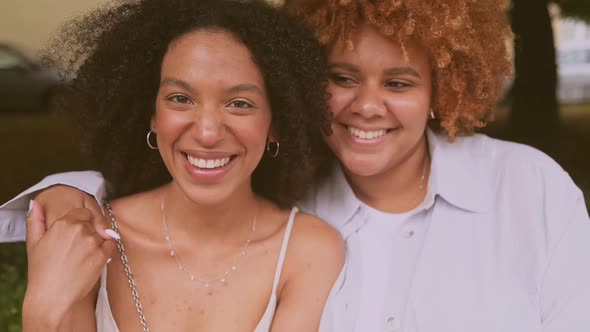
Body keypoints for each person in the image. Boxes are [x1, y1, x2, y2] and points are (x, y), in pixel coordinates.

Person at [3, 0, 590, 331]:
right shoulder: (284, 190)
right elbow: (183, 176)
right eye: (341, 78)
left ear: (444, 88)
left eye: (400, 82)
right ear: (305, 89)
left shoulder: (529, 188)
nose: (366, 105)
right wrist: (61, 193)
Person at [15, 0, 345, 331]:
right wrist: (42, 308)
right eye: (180, 98)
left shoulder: (308, 251)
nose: (207, 132)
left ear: (277, 122)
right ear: (151, 115)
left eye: (240, 103)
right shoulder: (85, 237)